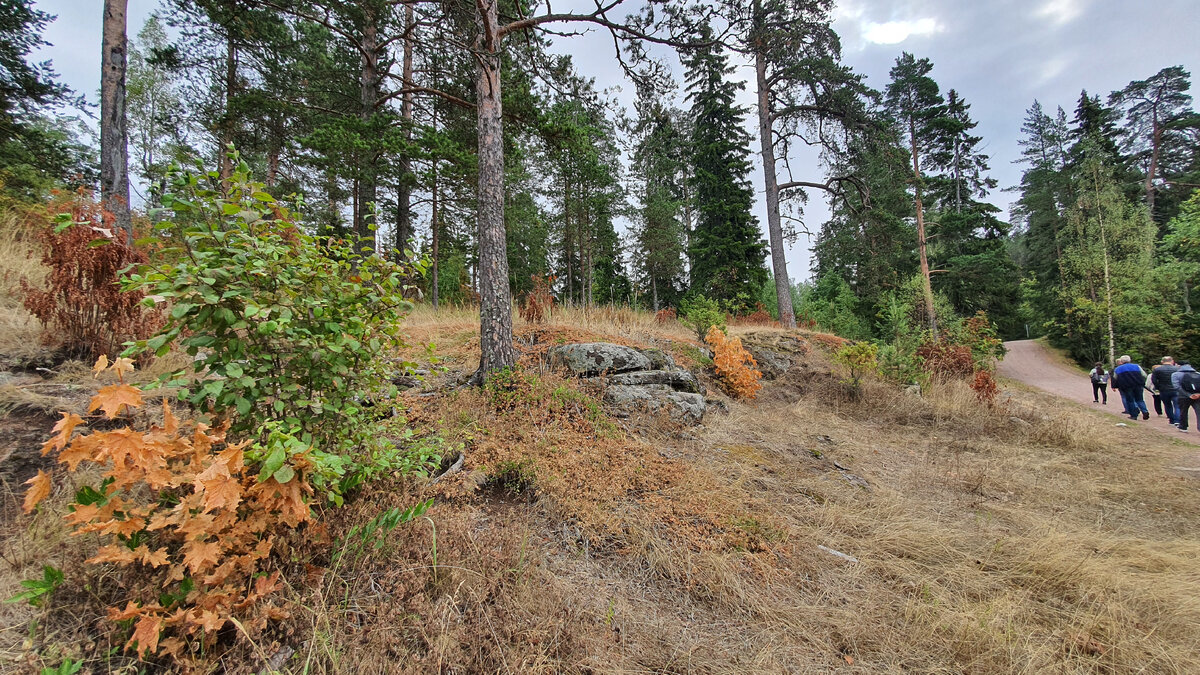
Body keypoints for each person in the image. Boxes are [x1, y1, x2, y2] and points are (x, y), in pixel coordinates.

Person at [1112, 355, 1150, 420]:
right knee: (1140, 399)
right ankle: (1145, 411)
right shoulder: (1137, 366)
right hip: (1138, 385)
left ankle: (1134, 415)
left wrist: (1116, 385)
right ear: (1130, 360)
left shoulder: (1118, 369)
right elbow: (1144, 375)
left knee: (1130, 400)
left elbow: (1115, 378)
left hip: (1126, 386)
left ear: (1121, 361)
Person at [1151, 356, 1180, 425]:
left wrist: (1158, 387)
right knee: (1177, 405)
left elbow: (1154, 380)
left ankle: (1171, 420)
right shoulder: (1177, 369)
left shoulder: (1157, 369)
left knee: (1167, 405)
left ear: (1162, 361)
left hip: (1164, 389)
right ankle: (1177, 420)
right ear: (1172, 361)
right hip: (1175, 389)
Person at [1171, 361, 1200, 432]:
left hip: (1183, 396)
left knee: (1183, 411)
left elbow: (1176, 386)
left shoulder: (1175, 374)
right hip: (1197, 396)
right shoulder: (1198, 374)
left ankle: (1183, 427)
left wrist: (1188, 395)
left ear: (1178, 365)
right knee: (1199, 412)